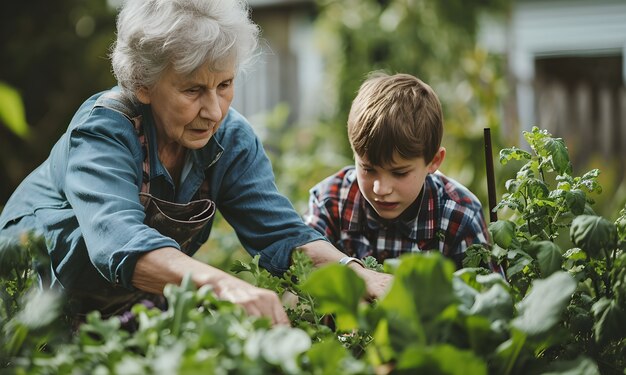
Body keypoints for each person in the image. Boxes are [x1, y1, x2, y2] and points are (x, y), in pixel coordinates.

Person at [0, 0, 391, 326]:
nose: (215, 110)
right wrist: (225, 286)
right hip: (28, 305)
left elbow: (281, 235)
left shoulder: (229, 138)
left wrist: (358, 274)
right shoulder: (104, 132)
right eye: (193, 90)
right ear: (142, 83)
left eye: (224, 85)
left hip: (114, 308)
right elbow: (120, 243)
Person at [304, 72, 497, 271]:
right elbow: (301, 261)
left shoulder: (459, 215)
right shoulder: (331, 200)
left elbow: (484, 295)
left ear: (433, 161)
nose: (381, 188)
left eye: (399, 173)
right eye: (368, 169)